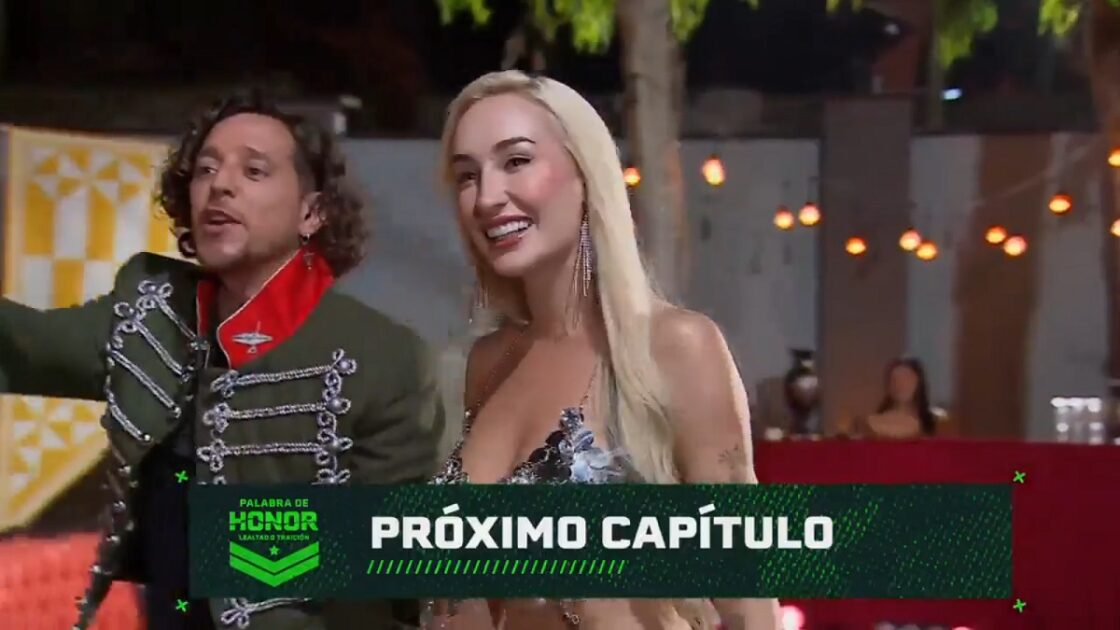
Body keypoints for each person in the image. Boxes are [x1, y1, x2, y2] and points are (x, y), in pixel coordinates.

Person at [0, 91, 444, 629]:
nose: (220, 185)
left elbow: (391, 554)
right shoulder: (151, 308)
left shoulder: (385, 357)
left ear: (311, 213)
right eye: (205, 170)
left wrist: (228, 539)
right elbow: (22, 343)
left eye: (254, 171)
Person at [425, 71, 780, 630]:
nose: (487, 197)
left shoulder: (676, 348)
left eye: (516, 161)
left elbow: (749, 596)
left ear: (585, 174)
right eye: (468, 175)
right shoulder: (487, 364)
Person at [856, 357, 940, 439]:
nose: (900, 384)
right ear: (888, 387)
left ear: (918, 384)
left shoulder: (931, 424)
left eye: (907, 379)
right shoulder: (872, 422)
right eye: (895, 380)